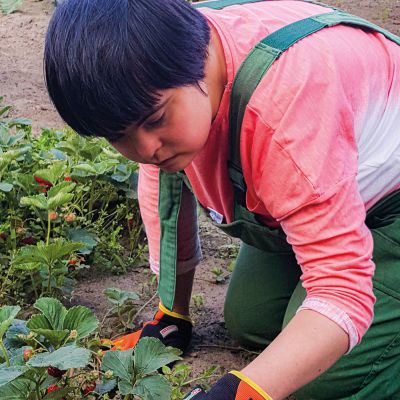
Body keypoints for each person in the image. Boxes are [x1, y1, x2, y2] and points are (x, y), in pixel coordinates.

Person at [44, 0, 400, 398]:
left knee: (316, 378)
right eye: (119, 136)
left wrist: (238, 392)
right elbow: (164, 185)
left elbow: (342, 290)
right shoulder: (161, 55)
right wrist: (170, 314)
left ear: (197, 58)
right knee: (251, 320)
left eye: (156, 120)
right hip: (323, 182)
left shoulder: (284, 108)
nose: (146, 148)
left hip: (391, 205)